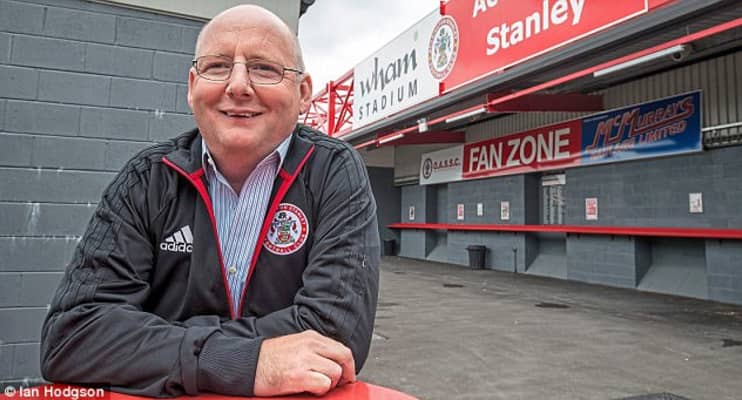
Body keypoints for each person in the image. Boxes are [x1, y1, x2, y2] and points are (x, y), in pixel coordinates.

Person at [40, 5, 380, 398]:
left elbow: (335, 337)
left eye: (264, 68)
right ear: (192, 86)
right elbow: (73, 336)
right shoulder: (147, 180)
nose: (237, 85)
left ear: (303, 93)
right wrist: (244, 361)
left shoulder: (333, 172)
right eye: (217, 66)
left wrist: (157, 344)